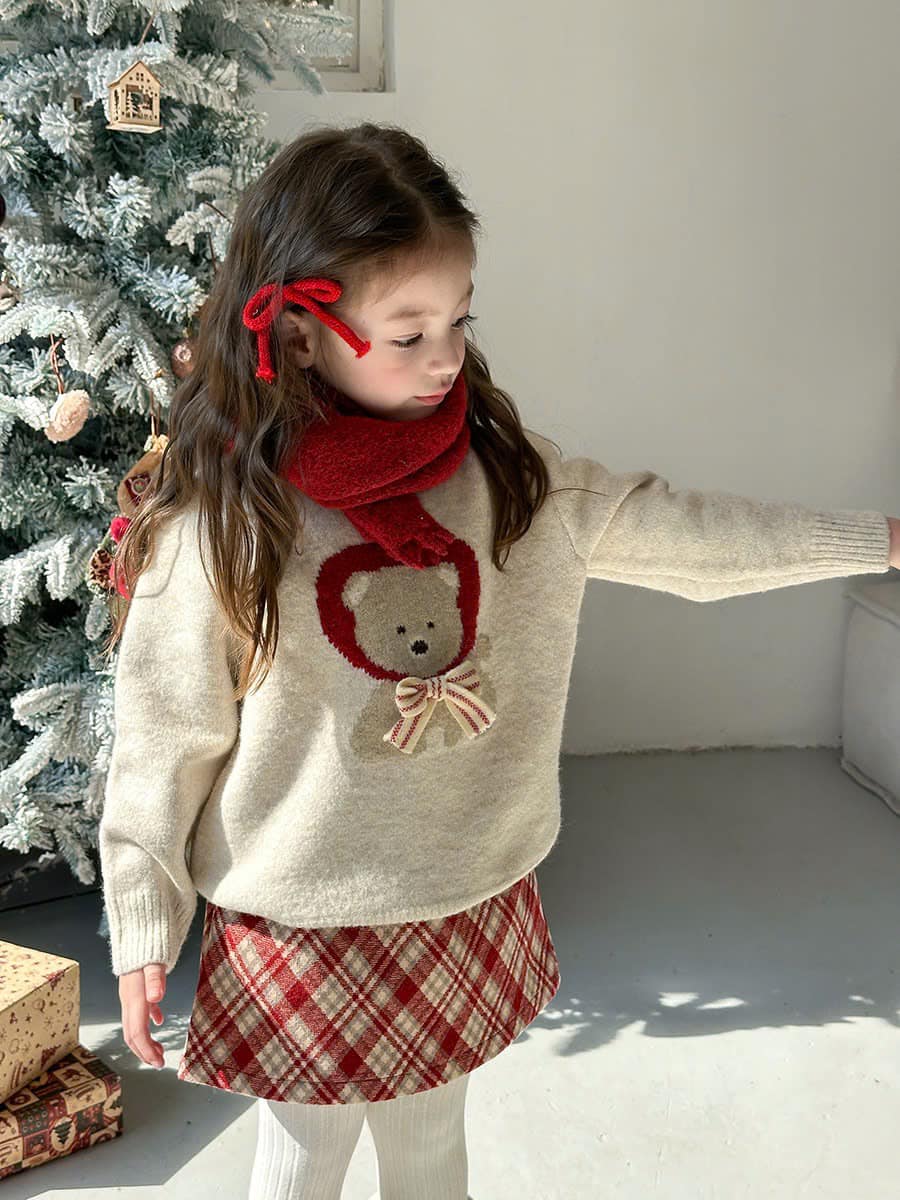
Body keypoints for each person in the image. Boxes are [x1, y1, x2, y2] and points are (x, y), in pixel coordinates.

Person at [97, 121, 898, 1200]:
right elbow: (165, 732)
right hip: (300, 918)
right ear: (298, 334)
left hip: (463, 892)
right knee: (304, 1160)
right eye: (408, 332)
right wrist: (145, 919)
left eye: (458, 321)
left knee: (433, 1151)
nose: (445, 359)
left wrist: (880, 541)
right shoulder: (229, 521)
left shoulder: (510, 484)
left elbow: (696, 541)